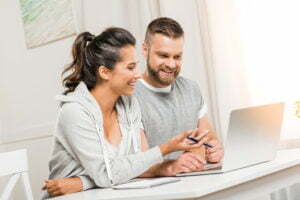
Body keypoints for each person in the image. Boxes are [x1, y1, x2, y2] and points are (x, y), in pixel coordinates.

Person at [41, 27, 208, 198]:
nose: (138, 75)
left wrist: (81, 182)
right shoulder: (74, 112)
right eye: (130, 68)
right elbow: (107, 175)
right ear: (105, 72)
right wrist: (166, 148)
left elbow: (134, 166)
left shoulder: (129, 105)